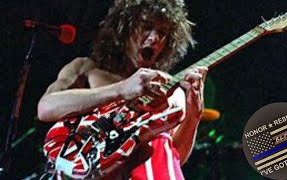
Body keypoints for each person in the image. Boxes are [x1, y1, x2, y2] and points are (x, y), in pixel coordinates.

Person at [37, 0, 207, 179]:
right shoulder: (86, 69)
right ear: (124, 29)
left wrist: (194, 114)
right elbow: (46, 108)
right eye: (146, 26)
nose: (154, 38)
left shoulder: (170, 93)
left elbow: (176, 156)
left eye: (163, 33)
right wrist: (121, 89)